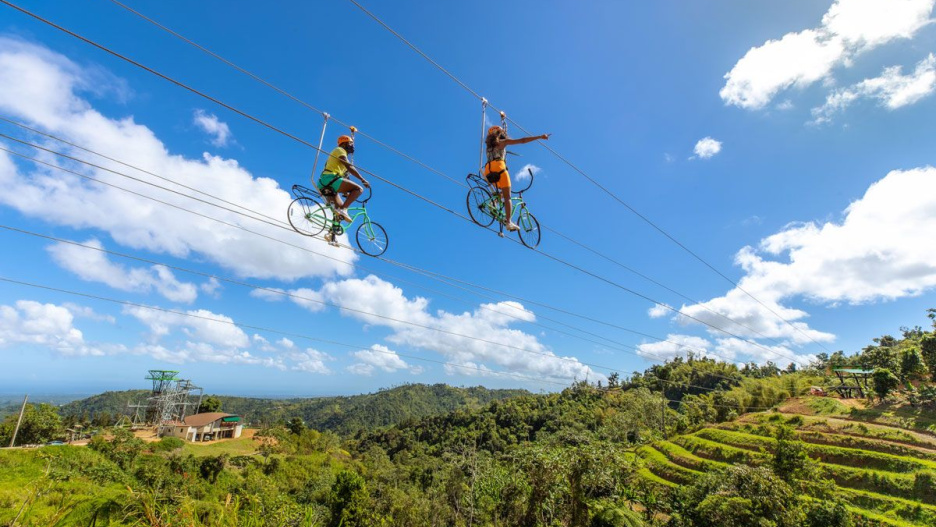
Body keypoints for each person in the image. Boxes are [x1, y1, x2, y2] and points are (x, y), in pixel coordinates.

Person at [483, 126, 550, 231]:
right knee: (507, 196)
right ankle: (509, 222)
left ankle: (493, 202)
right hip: (499, 168)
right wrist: (540, 137)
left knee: (501, 192)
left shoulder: (488, 147)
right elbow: (522, 140)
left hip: (488, 171)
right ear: (500, 134)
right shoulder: (502, 142)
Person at [317, 135, 370, 224]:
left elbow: (346, 178)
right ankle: (343, 210)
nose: (352, 146)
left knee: (339, 212)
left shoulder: (341, 161)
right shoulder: (340, 150)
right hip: (330, 179)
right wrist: (362, 179)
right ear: (344, 143)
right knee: (359, 189)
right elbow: (349, 166)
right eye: (350, 143)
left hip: (325, 183)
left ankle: (332, 232)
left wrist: (347, 192)